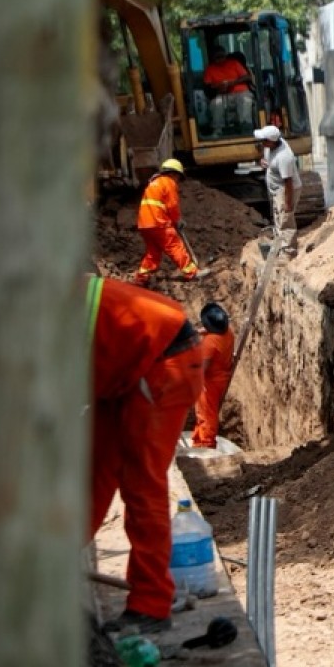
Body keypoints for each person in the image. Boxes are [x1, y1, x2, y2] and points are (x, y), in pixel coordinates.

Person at [88, 275, 206, 633]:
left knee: (141, 484)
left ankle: (151, 603)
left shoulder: (18, 314)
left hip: (163, 360)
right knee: (92, 471)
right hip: (123, 367)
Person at [134, 158, 200, 284]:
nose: (178, 181)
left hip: (145, 224)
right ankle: (191, 272)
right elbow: (172, 205)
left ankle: (142, 276)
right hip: (159, 223)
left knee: (153, 251)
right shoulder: (169, 182)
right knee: (175, 245)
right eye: (179, 178)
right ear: (174, 174)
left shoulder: (153, 183)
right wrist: (177, 220)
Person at [190, 303, 235, 450]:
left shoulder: (209, 344)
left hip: (210, 383)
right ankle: (199, 439)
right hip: (222, 376)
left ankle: (206, 445)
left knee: (206, 415)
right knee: (204, 413)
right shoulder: (228, 332)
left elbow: (202, 369)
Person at [254, 125, 300, 252]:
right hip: (277, 190)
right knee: (278, 220)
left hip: (285, 190)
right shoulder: (271, 146)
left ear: (271, 141)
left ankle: (288, 251)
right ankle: (280, 246)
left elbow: (289, 183)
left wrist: (288, 203)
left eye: (263, 140)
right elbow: (268, 160)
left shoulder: (285, 157)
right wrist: (263, 161)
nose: (261, 143)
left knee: (286, 221)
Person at [203, 45, 254, 133]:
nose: (220, 59)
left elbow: (247, 77)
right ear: (213, 58)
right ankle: (217, 130)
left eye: (222, 56)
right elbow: (208, 86)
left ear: (225, 55)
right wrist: (219, 88)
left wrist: (231, 83)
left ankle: (245, 128)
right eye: (217, 57)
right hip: (222, 95)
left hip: (241, 92)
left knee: (245, 100)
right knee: (216, 103)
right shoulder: (210, 69)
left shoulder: (234, 63)